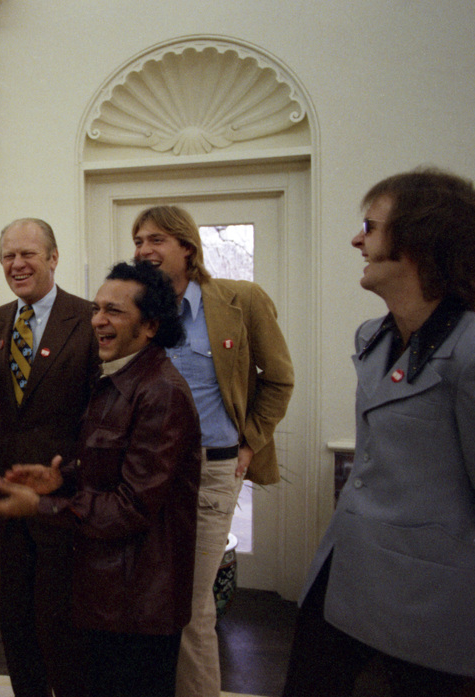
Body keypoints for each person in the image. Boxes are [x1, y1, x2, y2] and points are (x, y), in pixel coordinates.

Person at [281, 169, 475, 696]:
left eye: (370, 226)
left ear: (417, 244)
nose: (357, 240)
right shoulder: (374, 338)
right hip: (343, 577)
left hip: (429, 607)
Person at [0, 260, 201, 697]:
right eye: (97, 308)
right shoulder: (119, 381)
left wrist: (42, 506)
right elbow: (110, 467)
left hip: (136, 605)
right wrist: (59, 479)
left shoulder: (161, 393)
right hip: (107, 595)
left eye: (114, 311)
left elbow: (132, 507)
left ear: (151, 325)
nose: (98, 319)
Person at [131, 204, 294, 697]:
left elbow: (279, 380)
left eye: (156, 239)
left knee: (193, 605)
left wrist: (249, 444)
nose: (144, 250)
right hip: (147, 473)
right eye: (138, 241)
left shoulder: (241, 300)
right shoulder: (140, 308)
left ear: (187, 247)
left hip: (211, 470)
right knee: (154, 599)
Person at [0, 218, 100, 697]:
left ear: (53, 257)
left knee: (60, 619)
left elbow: (99, 410)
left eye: (28, 254)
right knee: (16, 617)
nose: (17, 264)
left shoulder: (88, 317)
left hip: (62, 493)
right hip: (9, 487)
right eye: (8, 255)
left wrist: (74, 476)